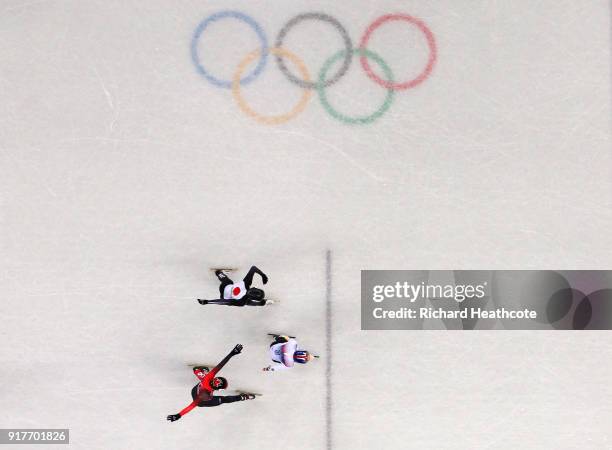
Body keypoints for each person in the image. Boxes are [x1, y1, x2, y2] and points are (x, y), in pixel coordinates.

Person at [166, 344, 256, 422]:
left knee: (202, 375)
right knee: (223, 400)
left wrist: (232, 353)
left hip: (197, 388)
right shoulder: (204, 396)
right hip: (203, 401)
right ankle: (242, 397)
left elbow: (220, 365)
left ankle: (198, 371)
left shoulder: (209, 377)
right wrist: (179, 415)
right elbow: (192, 405)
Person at [197, 266, 269, 307]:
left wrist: (263, 275)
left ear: (254, 288)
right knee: (245, 302)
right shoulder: (242, 301)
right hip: (224, 296)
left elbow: (253, 268)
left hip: (225, 285)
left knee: (228, 282)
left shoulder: (246, 283)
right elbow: (224, 301)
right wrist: (207, 302)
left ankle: (218, 273)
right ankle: (261, 303)